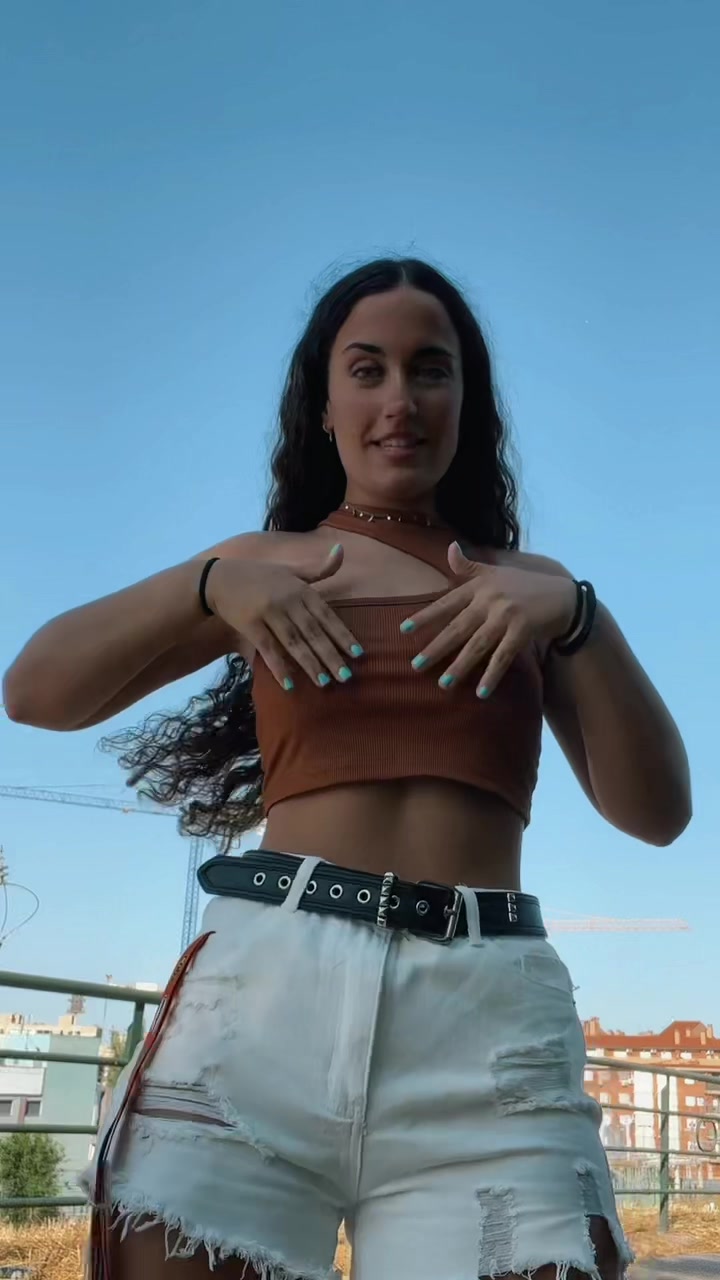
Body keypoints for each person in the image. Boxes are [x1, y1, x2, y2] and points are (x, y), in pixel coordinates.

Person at [3, 257, 691, 1280]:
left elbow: (658, 813)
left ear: (467, 401)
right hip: (260, 1007)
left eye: (430, 370)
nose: (399, 400)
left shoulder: (533, 590)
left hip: (486, 1029)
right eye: (367, 370)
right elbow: (34, 690)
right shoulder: (263, 564)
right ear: (323, 407)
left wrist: (583, 617)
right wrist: (207, 585)